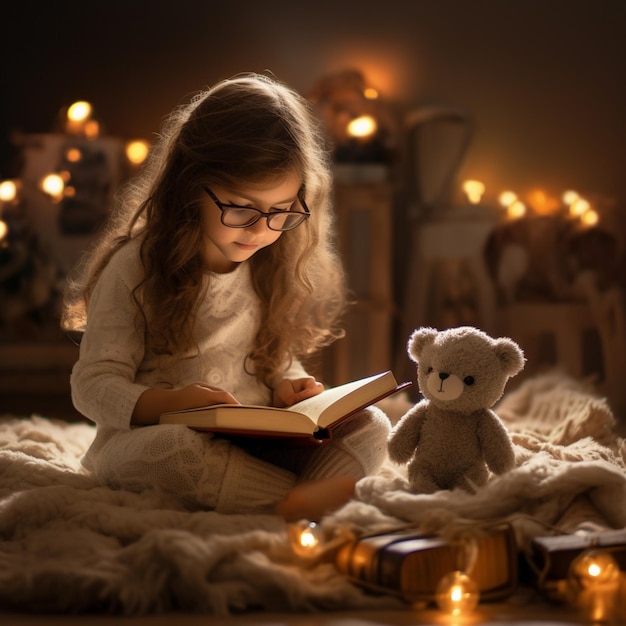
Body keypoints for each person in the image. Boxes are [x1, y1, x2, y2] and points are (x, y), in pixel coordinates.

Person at [63, 72, 391, 522]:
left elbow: (272, 360)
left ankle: (289, 497)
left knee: (373, 426)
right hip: (157, 438)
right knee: (174, 450)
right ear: (190, 186)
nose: (261, 230)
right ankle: (294, 504)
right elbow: (92, 386)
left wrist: (286, 386)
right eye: (241, 208)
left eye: (281, 211)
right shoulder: (136, 266)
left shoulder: (270, 262)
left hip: (255, 439)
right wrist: (170, 405)